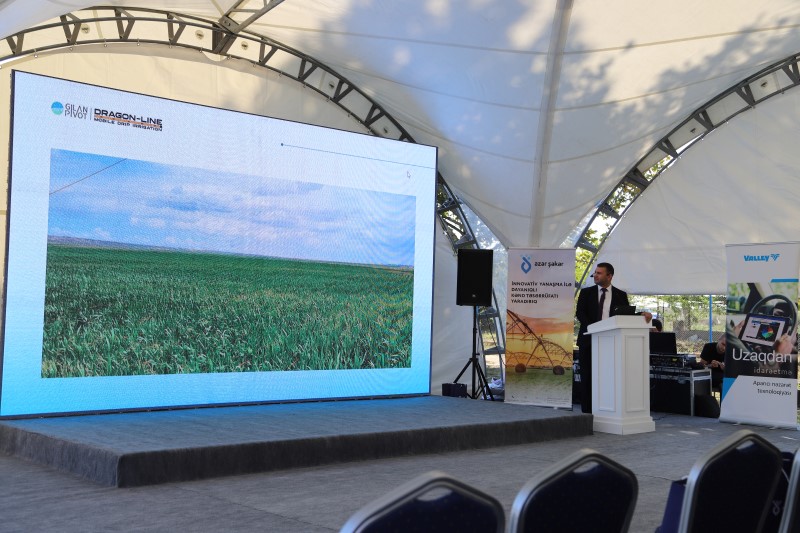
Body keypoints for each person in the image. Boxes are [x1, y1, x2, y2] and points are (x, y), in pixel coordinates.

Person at [575, 262, 649, 413]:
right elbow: (580, 313)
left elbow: (625, 316)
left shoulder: (620, 295)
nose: (595, 275)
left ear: (609, 276)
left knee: (608, 376)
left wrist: (641, 314)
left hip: (611, 343)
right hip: (589, 340)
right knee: (587, 376)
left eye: (599, 273)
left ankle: (607, 408)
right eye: (595, 273)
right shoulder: (586, 293)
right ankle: (587, 412)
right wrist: (594, 329)